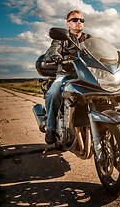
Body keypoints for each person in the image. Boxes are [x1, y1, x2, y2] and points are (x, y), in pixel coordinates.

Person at [44, 10, 92, 144]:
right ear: (68, 24)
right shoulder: (61, 38)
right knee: (53, 93)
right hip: (65, 73)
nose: (79, 23)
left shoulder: (88, 38)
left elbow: (97, 50)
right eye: (75, 20)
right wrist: (54, 55)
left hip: (86, 74)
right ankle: (50, 128)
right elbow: (52, 50)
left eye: (81, 20)